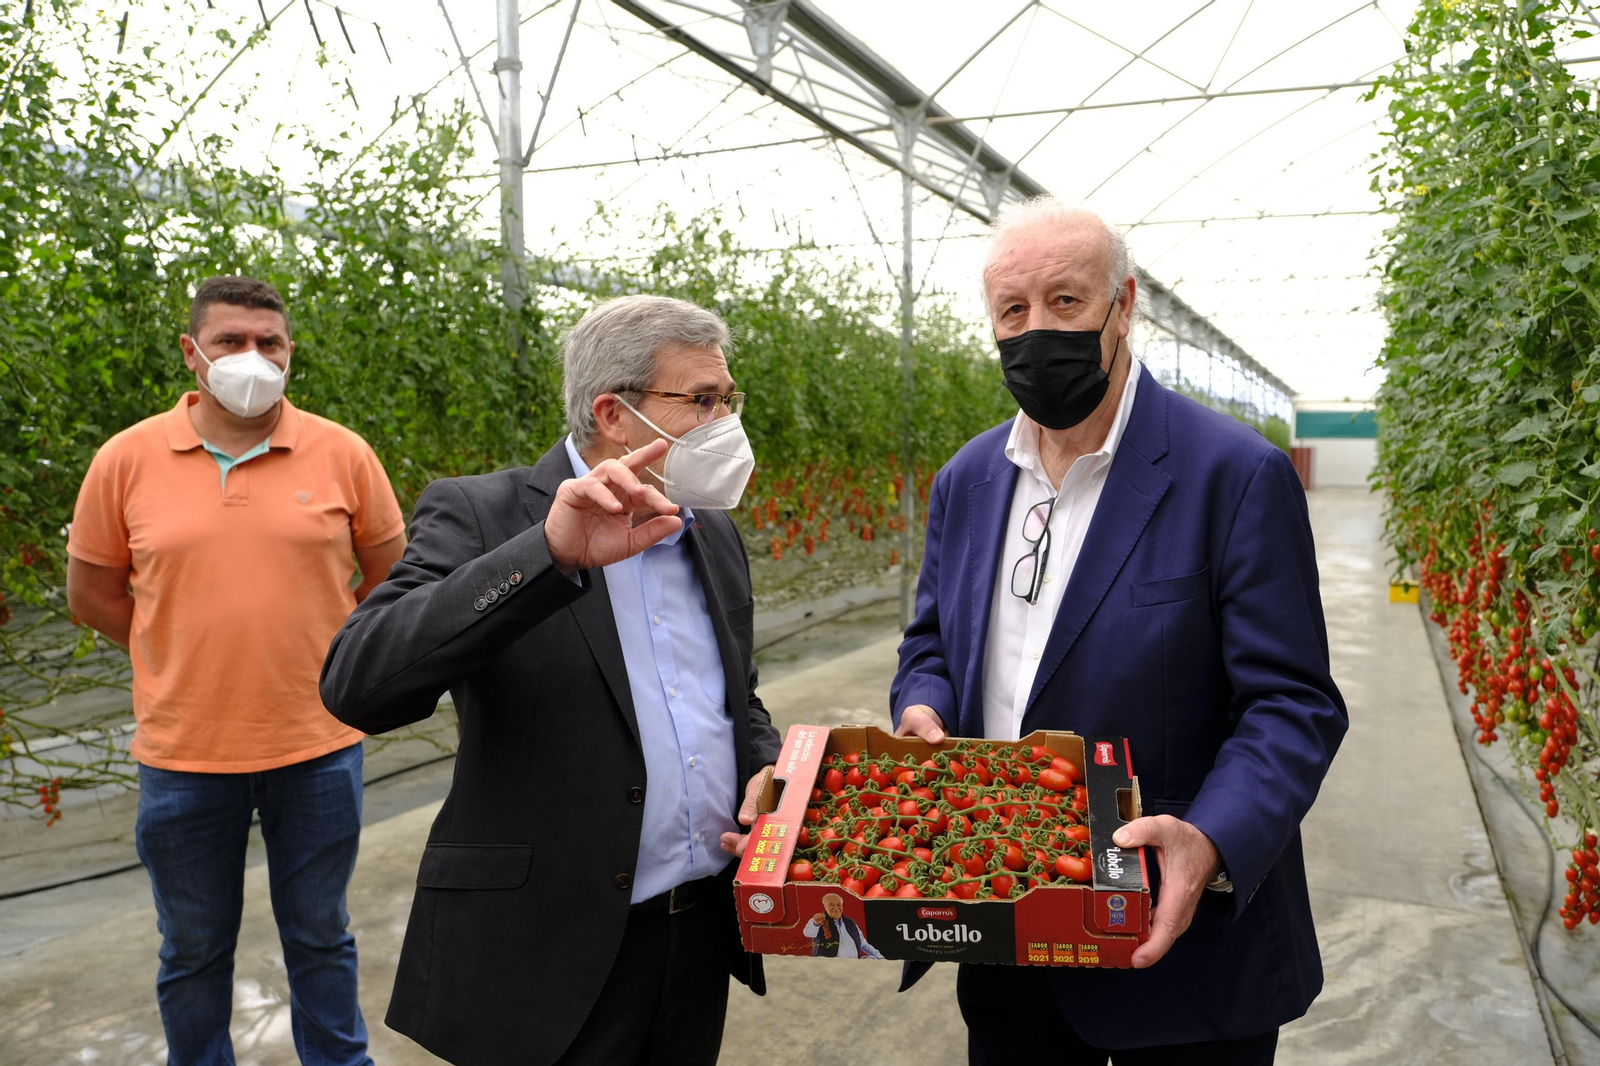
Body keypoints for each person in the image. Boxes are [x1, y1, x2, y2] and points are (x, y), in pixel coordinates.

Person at [890, 199, 1347, 1065]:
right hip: (1006, 924)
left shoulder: (1232, 475)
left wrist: (1211, 837)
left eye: (1066, 302)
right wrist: (924, 708)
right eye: (1012, 312)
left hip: (1179, 950)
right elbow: (930, 647)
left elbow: (1292, 704)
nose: (1036, 331)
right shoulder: (969, 480)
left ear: (1124, 305)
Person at [319, 294, 782, 1066]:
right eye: (702, 399)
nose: (725, 420)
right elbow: (359, 683)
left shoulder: (711, 530)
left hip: (696, 933)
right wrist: (549, 556)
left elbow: (734, 693)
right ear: (613, 412)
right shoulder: (486, 515)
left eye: (727, 398)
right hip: (546, 945)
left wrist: (763, 766)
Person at [65, 275, 407, 1066]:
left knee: (321, 936)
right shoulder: (126, 459)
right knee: (190, 948)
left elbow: (391, 572)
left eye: (269, 344)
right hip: (184, 755)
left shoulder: (343, 453)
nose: (251, 358)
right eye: (230, 342)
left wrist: (328, 648)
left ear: (291, 355)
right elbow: (92, 594)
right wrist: (174, 648)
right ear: (193, 353)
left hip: (317, 744)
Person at [804, 893, 884, 959]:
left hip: (855, 966)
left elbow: (863, 944)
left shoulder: (851, 923)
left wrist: (880, 957)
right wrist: (815, 923)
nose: (836, 908)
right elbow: (807, 932)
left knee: (871, 959)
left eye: (839, 905)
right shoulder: (818, 921)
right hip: (830, 969)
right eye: (831, 905)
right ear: (825, 906)